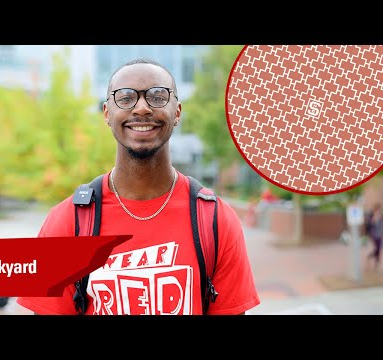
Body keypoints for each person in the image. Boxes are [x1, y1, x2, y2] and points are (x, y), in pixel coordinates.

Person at [16, 58, 260, 315]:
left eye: (157, 96)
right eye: (125, 97)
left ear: (177, 112)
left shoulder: (215, 220)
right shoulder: (69, 221)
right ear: (107, 113)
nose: (142, 108)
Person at [365, 203, 383, 272]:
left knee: (379, 249)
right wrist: (373, 220)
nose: (379, 210)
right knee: (377, 249)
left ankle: (376, 264)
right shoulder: (371, 216)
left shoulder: (381, 216)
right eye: (378, 209)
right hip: (374, 235)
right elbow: (368, 225)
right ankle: (370, 257)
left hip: (380, 235)